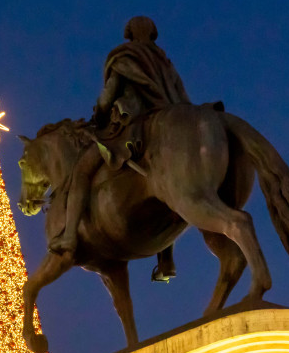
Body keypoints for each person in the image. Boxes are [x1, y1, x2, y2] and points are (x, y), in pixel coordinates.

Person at [49, 16, 191, 283]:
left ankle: (69, 236)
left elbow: (109, 93)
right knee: (169, 185)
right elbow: (182, 96)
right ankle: (166, 257)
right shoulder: (164, 62)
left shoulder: (125, 57)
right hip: (165, 124)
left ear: (129, 34)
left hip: (132, 126)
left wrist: (100, 111)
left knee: (81, 171)